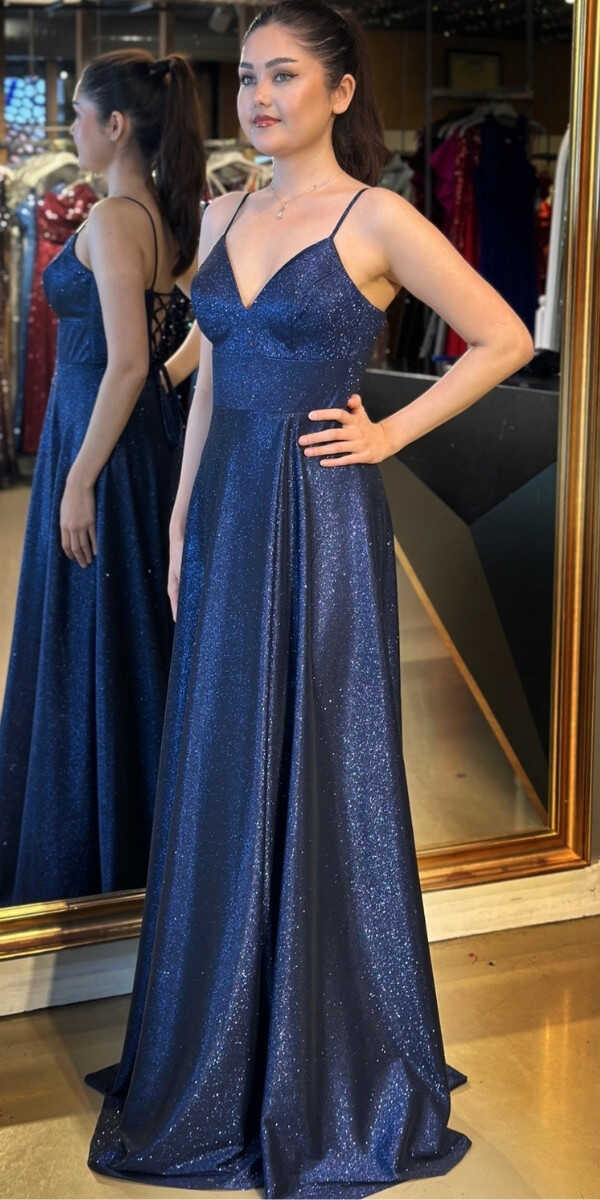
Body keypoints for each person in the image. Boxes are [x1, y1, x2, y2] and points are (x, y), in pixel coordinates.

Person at [85, 4, 534, 1197]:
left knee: (324, 758)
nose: (260, 96)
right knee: (223, 753)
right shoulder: (222, 213)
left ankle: (325, 1054)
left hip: (322, 516)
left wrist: (387, 433)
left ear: (339, 92)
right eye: (247, 77)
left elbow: (500, 337)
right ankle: (221, 1036)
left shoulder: (376, 215)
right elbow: (215, 379)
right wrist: (179, 517)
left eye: (284, 76)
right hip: (227, 512)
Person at [0, 51, 205, 905]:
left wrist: (79, 480)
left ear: (115, 126)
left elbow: (124, 363)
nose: (71, 131)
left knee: (98, 639)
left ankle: (95, 865)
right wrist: (165, 386)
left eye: (79, 116)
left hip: (103, 450)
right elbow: (183, 341)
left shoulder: (118, 217)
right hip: (123, 440)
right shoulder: (160, 214)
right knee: (120, 638)